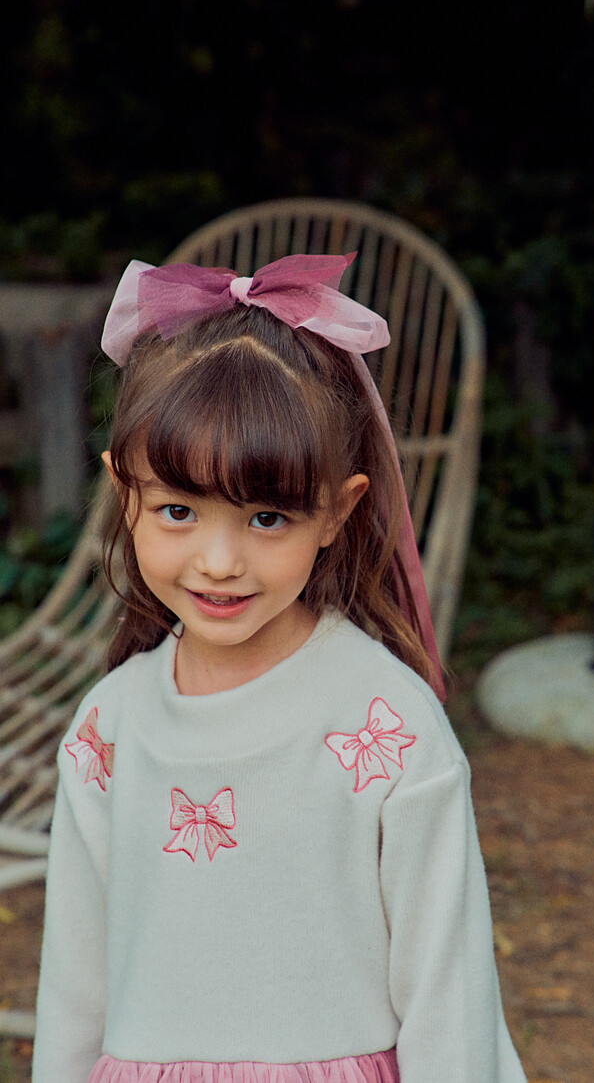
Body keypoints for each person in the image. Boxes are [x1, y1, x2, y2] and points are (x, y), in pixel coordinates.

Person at [32, 253, 526, 1083]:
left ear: (336, 509)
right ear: (124, 495)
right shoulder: (107, 732)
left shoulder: (387, 726)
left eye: (267, 517)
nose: (219, 561)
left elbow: (452, 992)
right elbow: (73, 987)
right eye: (179, 510)